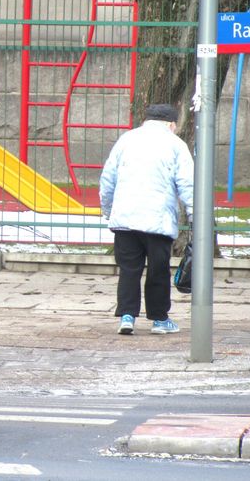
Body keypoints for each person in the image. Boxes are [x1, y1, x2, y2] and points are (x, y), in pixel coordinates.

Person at [99, 103, 194, 336]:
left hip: (125, 220)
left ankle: (127, 317)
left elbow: (108, 179)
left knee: (129, 269)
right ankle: (159, 319)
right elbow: (188, 184)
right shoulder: (176, 145)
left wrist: (109, 210)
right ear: (171, 124)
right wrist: (195, 215)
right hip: (157, 221)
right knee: (158, 270)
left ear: (146, 121)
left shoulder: (126, 140)